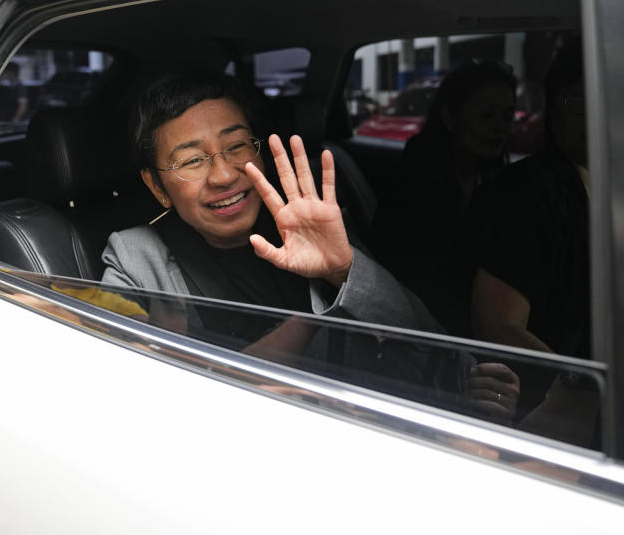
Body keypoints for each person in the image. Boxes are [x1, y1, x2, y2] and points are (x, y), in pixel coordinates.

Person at [101, 70, 518, 421]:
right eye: (192, 160)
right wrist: (315, 321)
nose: (225, 175)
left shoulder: (304, 220)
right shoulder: (134, 258)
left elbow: (421, 340)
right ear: (156, 186)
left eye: (236, 146)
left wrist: (344, 270)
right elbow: (145, 408)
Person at [470, 40, 592, 431]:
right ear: (552, 108)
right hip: (539, 407)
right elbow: (499, 325)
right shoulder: (529, 194)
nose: (593, 113)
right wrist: (581, 383)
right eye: (577, 100)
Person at [371, 59, 516, 337]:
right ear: (450, 117)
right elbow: (427, 272)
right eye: (486, 115)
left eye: (507, 116)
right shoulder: (420, 173)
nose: (499, 127)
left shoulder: (488, 171)